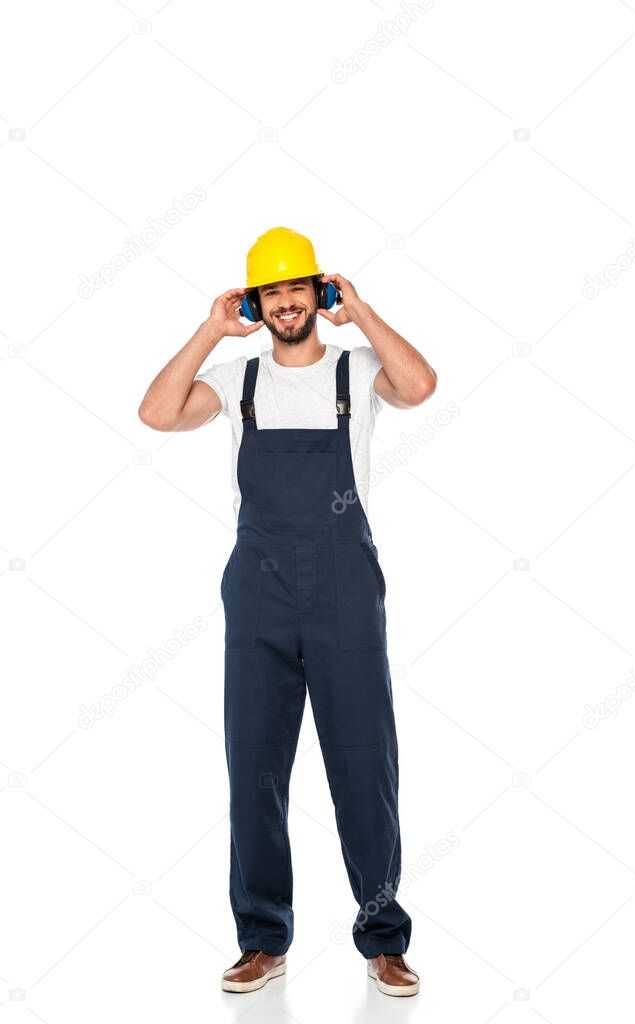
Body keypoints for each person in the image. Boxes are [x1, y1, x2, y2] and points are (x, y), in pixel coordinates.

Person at [138, 226, 437, 998]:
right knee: (255, 770)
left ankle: (382, 940)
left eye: (297, 287)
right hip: (260, 599)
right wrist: (210, 328)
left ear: (319, 292)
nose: (286, 302)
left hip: (343, 595)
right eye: (270, 292)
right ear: (256, 303)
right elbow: (156, 414)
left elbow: (422, 386)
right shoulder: (237, 382)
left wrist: (363, 314)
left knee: (364, 767)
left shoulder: (355, 369)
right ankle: (261, 940)